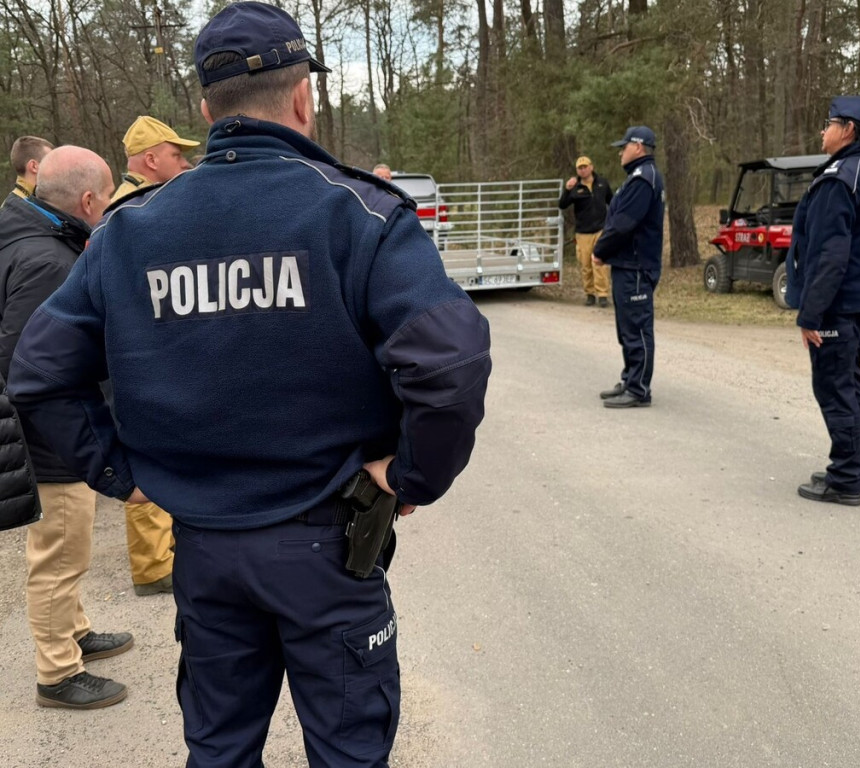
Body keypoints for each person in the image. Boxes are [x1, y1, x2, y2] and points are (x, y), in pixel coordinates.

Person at [8, 2, 491, 764]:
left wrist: (119, 473)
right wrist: (410, 474)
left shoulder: (130, 231)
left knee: (221, 750)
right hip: (327, 546)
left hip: (204, 551)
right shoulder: (357, 211)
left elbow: (36, 371)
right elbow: (451, 361)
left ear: (206, 109)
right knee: (349, 752)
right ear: (304, 97)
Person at [0, 145, 134, 709]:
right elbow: (30, 366)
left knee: (67, 549)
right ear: (86, 200)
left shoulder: (26, 234)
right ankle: (57, 672)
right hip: (49, 441)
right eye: (106, 200)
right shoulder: (50, 263)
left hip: (42, 434)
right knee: (58, 554)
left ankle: (75, 630)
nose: (107, 209)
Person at [785, 95, 860, 507]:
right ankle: (856, 468)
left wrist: (810, 313)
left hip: (836, 303)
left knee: (835, 388)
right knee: (849, 384)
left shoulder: (841, 179)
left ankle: (846, 477)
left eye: (829, 122)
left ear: (848, 129)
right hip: (857, 299)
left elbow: (830, 255)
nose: (822, 129)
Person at [111, 115, 200, 597]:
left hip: (153, 351)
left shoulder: (141, 202)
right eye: (175, 155)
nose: (184, 162)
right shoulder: (132, 208)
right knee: (146, 458)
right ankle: (152, 566)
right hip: (143, 355)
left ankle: (162, 551)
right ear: (151, 160)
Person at [594, 126, 665, 409]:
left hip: (636, 266)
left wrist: (600, 250)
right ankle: (630, 379)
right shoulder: (636, 178)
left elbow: (624, 223)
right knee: (627, 329)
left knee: (636, 328)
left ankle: (638, 389)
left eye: (624, 147)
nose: (621, 152)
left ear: (638, 147)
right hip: (627, 264)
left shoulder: (643, 180)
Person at [559, 155, 613, 307]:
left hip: (601, 230)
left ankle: (602, 295)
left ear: (591, 167)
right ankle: (590, 294)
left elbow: (612, 201)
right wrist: (567, 190)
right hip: (583, 232)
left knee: (600, 264)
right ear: (577, 170)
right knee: (585, 265)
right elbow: (562, 205)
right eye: (580, 168)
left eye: (585, 167)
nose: (583, 170)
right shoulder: (575, 187)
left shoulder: (602, 183)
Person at [111, 115, 200, 203]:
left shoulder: (140, 199)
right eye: (176, 156)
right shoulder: (135, 206)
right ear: (151, 161)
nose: (185, 164)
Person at [4, 136, 53, 208]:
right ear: (34, 166)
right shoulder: (17, 209)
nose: (56, 168)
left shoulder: (34, 200)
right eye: (50, 162)